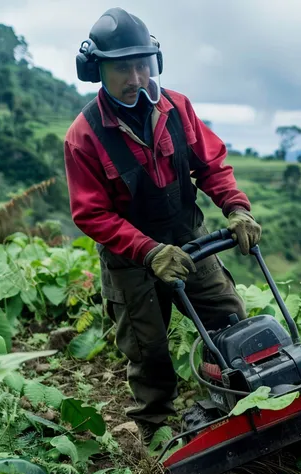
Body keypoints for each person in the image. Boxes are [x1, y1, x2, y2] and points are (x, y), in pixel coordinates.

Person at [64, 7, 262, 447]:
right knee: (147, 347)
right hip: (130, 258)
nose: (135, 77)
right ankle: (157, 434)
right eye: (122, 68)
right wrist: (149, 252)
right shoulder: (84, 136)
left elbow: (210, 164)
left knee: (228, 316)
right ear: (97, 70)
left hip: (188, 238)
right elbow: (91, 214)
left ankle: (241, 400)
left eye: (142, 64)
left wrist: (236, 208)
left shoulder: (176, 107)